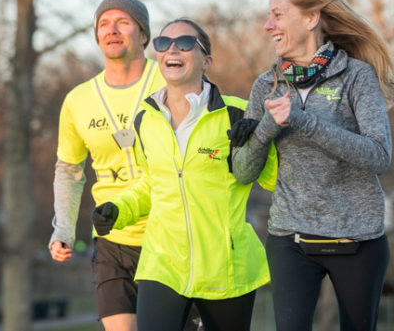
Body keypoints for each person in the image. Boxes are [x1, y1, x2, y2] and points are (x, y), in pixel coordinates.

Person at [231, 0, 394, 331]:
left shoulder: (356, 76)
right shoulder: (265, 85)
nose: (268, 25)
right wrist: (267, 125)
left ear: (311, 18)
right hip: (290, 238)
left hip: (358, 239)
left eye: (278, 15)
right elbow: (242, 172)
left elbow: (379, 155)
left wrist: (303, 121)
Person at [91, 18, 278, 331]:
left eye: (185, 43)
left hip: (225, 267)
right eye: (163, 44)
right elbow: (151, 183)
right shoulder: (144, 120)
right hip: (162, 264)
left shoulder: (237, 113)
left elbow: (271, 180)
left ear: (207, 60)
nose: (172, 49)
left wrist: (261, 139)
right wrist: (119, 209)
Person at [48, 0, 165, 331]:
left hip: (171, 233)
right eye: (104, 24)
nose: (112, 29)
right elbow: (69, 171)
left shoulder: (169, 81)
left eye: (122, 22)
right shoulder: (77, 100)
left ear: (143, 34)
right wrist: (64, 229)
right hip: (112, 240)